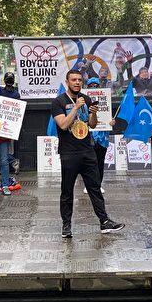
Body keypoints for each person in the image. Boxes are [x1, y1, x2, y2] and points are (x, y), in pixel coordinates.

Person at [51, 69, 125, 238]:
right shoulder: (58, 102)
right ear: (67, 82)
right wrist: (76, 108)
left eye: (79, 80)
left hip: (87, 150)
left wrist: (93, 113)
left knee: (95, 188)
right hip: (69, 152)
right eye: (73, 80)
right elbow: (62, 125)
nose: (77, 82)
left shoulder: (87, 98)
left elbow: (92, 125)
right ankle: (66, 225)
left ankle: (104, 222)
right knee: (67, 191)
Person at [83, 77, 115, 194]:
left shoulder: (105, 99)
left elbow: (108, 116)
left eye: (95, 85)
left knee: (100, 162)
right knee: (88, 163)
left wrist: (111, 122)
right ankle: (88, 185)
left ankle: (98, 185)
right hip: (89, 135)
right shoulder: (84, 102)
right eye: (91, 85)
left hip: (102, 136)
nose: (93, 87)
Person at [0, 71, 21, 175]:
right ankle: (9, 164)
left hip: (11, 124)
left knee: (9, 147)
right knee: (0, 146)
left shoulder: (16, 94)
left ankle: (11, 164)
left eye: (10, 79)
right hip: (0, 123)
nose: (9, 81)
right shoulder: (0, 91)